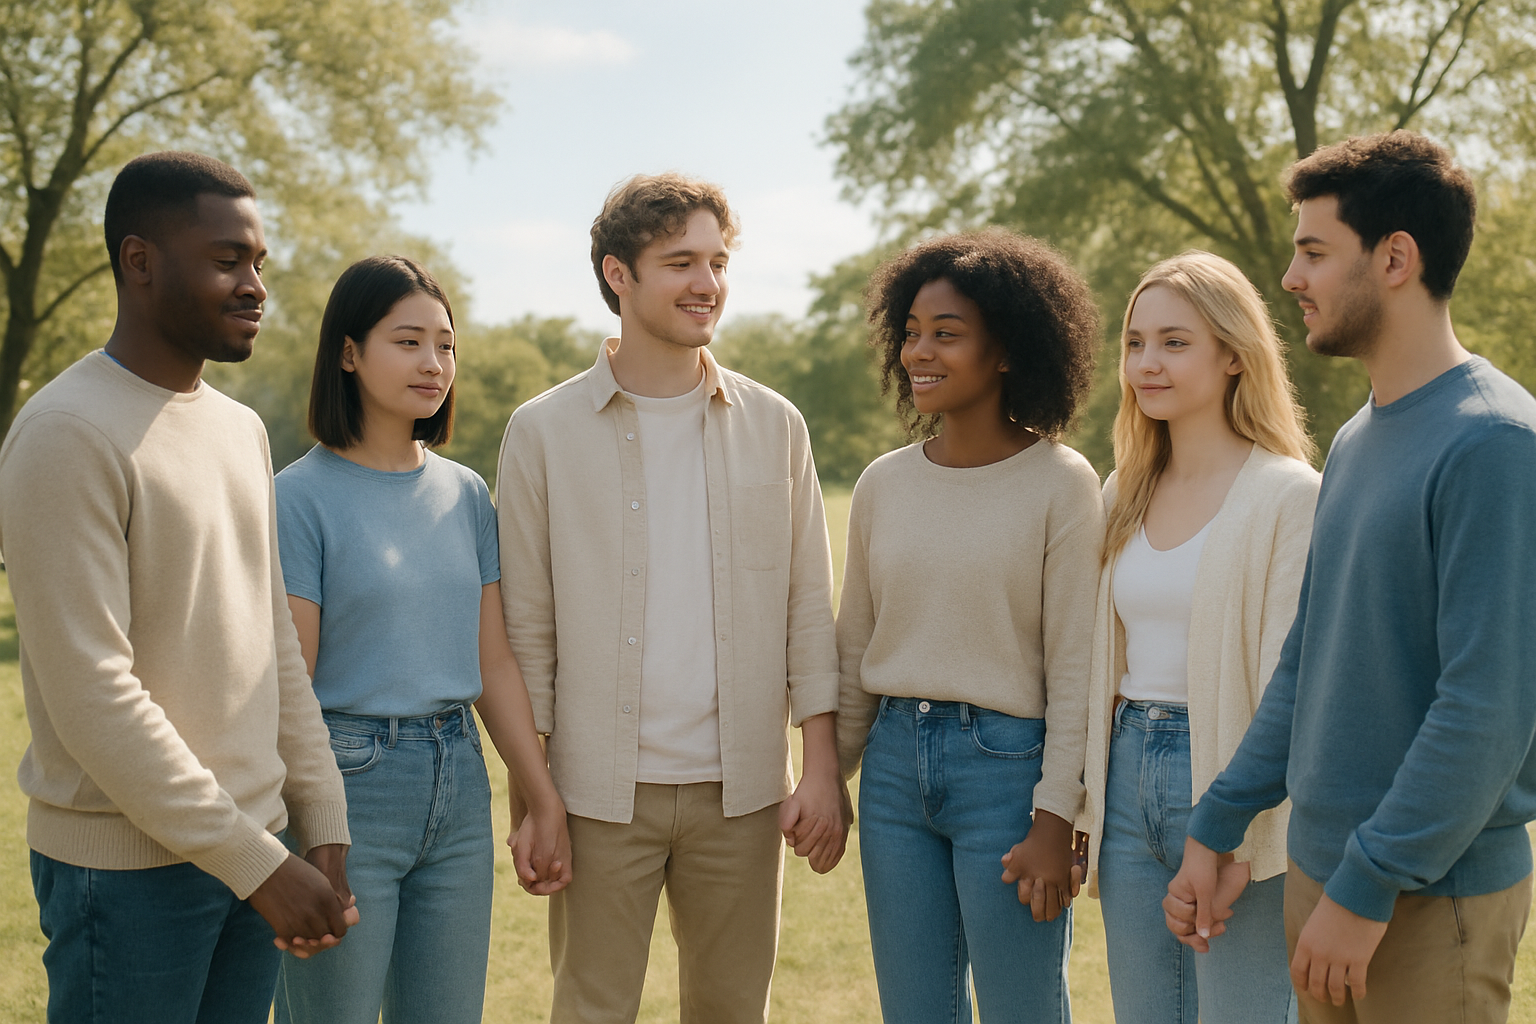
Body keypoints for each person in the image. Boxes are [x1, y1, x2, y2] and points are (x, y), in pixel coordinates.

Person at [1167, 131, 1536, 1024]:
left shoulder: (1494, 442)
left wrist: (1369, 886)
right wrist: (1219, 821)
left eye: (1314, 252)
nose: (1291, 278)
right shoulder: (1358, 437)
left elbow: (1486, 707)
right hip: (1325, 880)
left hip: (1425, 896)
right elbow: (1311, 659)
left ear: (1396, 258)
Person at [0, 151, 356, 1024]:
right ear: (140, 260)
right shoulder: (65, 434)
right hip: (124, 877)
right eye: (228, 259)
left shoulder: (239, 431)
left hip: (251, 855)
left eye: (259, 263)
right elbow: (93, 695)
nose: (254, 285)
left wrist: (322, 820)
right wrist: (259, 863)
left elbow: (269, 641)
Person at [495, 172, 847, 1024]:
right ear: (618, 275)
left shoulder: (777, 426)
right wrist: (533, 797)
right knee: (589, 1011)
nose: (708, 284)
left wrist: (825, 767)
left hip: (745, 791)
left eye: (719, 262)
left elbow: (809, 606)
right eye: (681, 262)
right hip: (595, 793)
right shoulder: (541, 433)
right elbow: (525, 636)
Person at [270, 256, 571, 1023]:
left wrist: (540, 798)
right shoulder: (296, 499)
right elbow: (290, 684)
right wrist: (307, 832)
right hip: (347, 785)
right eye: (408, 342)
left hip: (459, 781)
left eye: (445, 345)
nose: (434, 363)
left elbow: (493, 661)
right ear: (347, 352)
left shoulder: (466, 493)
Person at [835, 229, 1102, 1024]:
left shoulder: (1062, 484)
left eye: (946, 334)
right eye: (911, 331)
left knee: (1024, 1008)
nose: (920, 350)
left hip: (1009, 776)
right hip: (891, 774)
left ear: (1008, 351)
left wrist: (1057, 817)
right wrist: (827, 778)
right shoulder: (883, 484)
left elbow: (1078, 667)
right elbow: (856, 647)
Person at [1080, 250, 1318, 1024]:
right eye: (1135, 342)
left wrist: (1242, 835)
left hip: (1228, 784)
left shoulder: (1289, 496)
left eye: (1175, 342)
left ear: (1234, 358)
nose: (1146, 363)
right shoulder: (1124, 489)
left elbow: (1294, 687)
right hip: (1125, 777)